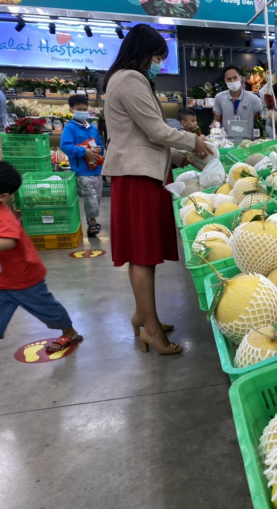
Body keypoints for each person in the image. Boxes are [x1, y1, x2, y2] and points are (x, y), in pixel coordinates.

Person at [102, 24, 209, 355]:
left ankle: (143, 315)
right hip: (138, 178)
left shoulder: (122, 79)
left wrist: (181, 157)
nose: (160, 63)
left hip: (142, 173)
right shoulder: (131, 79)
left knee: (142, 254)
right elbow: (156, 130)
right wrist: (195, 142)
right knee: (143, 256)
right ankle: (150, 330)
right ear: (144, 52)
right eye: (158, 57)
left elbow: (145, 136)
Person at [0, 162, 82, 352]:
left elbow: (10, 241)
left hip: (25, 279)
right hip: (4, 281)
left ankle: (69, 332)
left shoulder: (4, 217)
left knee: (47, 309)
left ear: (3, 196)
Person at [60, 95, 105, 237]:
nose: (82, 111)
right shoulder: (70, 128)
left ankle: (92, 218)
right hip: (82, 171)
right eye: (79, 109)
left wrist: (99, 149)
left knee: (97, 197)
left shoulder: (92, 128)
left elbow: (100, 144)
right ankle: (92, 222)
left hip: (97, 169)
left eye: (85, 109)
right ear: (71, 110)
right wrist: (84, 151)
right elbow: (65, 146)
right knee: (90, 197)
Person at [213, 65, 263, 139]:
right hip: (227, 142)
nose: (232, 81)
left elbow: (267, 113)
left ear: (240, 78)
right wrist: (215, 127)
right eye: (229, 79)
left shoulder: (253, 99)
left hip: (247, 142)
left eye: (235, 77)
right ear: (225, 81)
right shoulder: (219, 97)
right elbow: (216, 120)